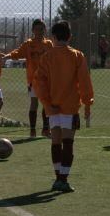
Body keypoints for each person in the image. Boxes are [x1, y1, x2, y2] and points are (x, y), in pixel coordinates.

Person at [35, 20, 94, 193]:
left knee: (56, 142)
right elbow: (84, 81)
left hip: (53, 107)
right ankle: (63, 179)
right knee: (68, 142)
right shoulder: (77, 55)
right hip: (69, 107)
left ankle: (57, 178)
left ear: (53, 37)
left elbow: (39, 83)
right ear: (70, 37)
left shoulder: (47, 56)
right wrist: (88, 102)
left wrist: (47, 104)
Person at [4, 19, 53, 138]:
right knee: (34, 104)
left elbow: (54, 59)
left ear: (45, 30)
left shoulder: (48, 44)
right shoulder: (28, 44)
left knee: (46, 104)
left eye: (41, 29)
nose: (39, 31)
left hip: (47, 79)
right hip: (34, 80)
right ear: (33, 30)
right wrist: (8, 56)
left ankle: (46, 130)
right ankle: (32, 130)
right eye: (37, 29)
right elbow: (18, 53)